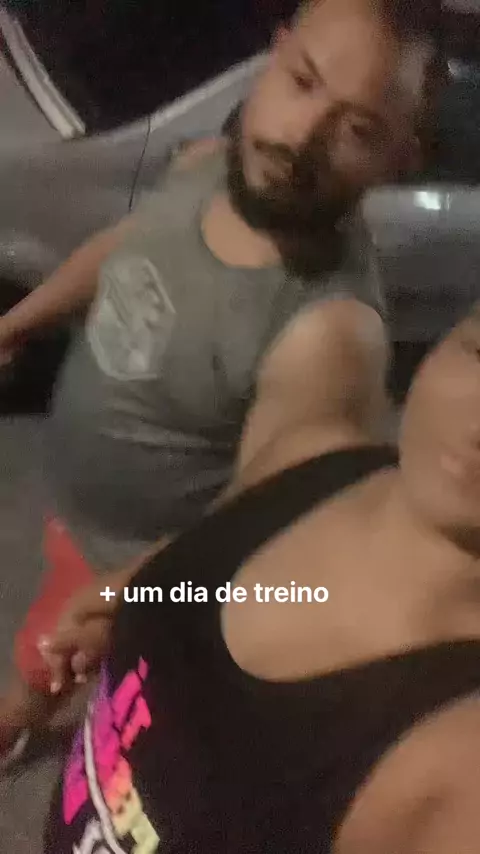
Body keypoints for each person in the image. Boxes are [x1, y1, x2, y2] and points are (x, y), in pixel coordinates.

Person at [0, 0, 445, 762]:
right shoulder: (209, 164)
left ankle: (26, 720)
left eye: (357, 129)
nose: (297, 138)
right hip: (78, 525)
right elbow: (132, 243)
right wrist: (18, 322)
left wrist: (133, 595)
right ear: (275, 53)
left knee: (91, 688)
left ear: (399, 159)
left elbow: (266, 523)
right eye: (302, 81)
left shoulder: (328, 335)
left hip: (142, 580)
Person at [42, 309, 480, 853]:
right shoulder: (313, 459)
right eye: (479, 352)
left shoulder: (462, 769)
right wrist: (139, 604)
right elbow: (222, 573)